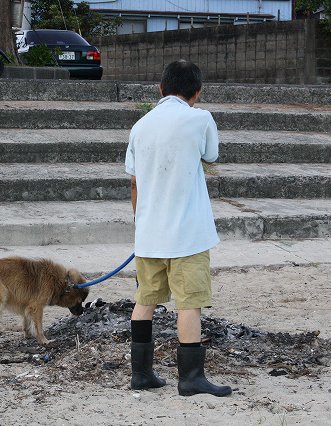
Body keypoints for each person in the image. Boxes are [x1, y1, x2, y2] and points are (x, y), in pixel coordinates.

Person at [124, 59, 232, 397]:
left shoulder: (140, 126)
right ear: (197, 93)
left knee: (145, 301)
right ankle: (191, 378)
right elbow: (211, 156)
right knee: (189, 303)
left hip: (148, 235)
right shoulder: (200, 118)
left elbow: (134, 183)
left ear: (160, 88)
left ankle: (141, 374)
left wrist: (141, 224)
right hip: (188, 235)